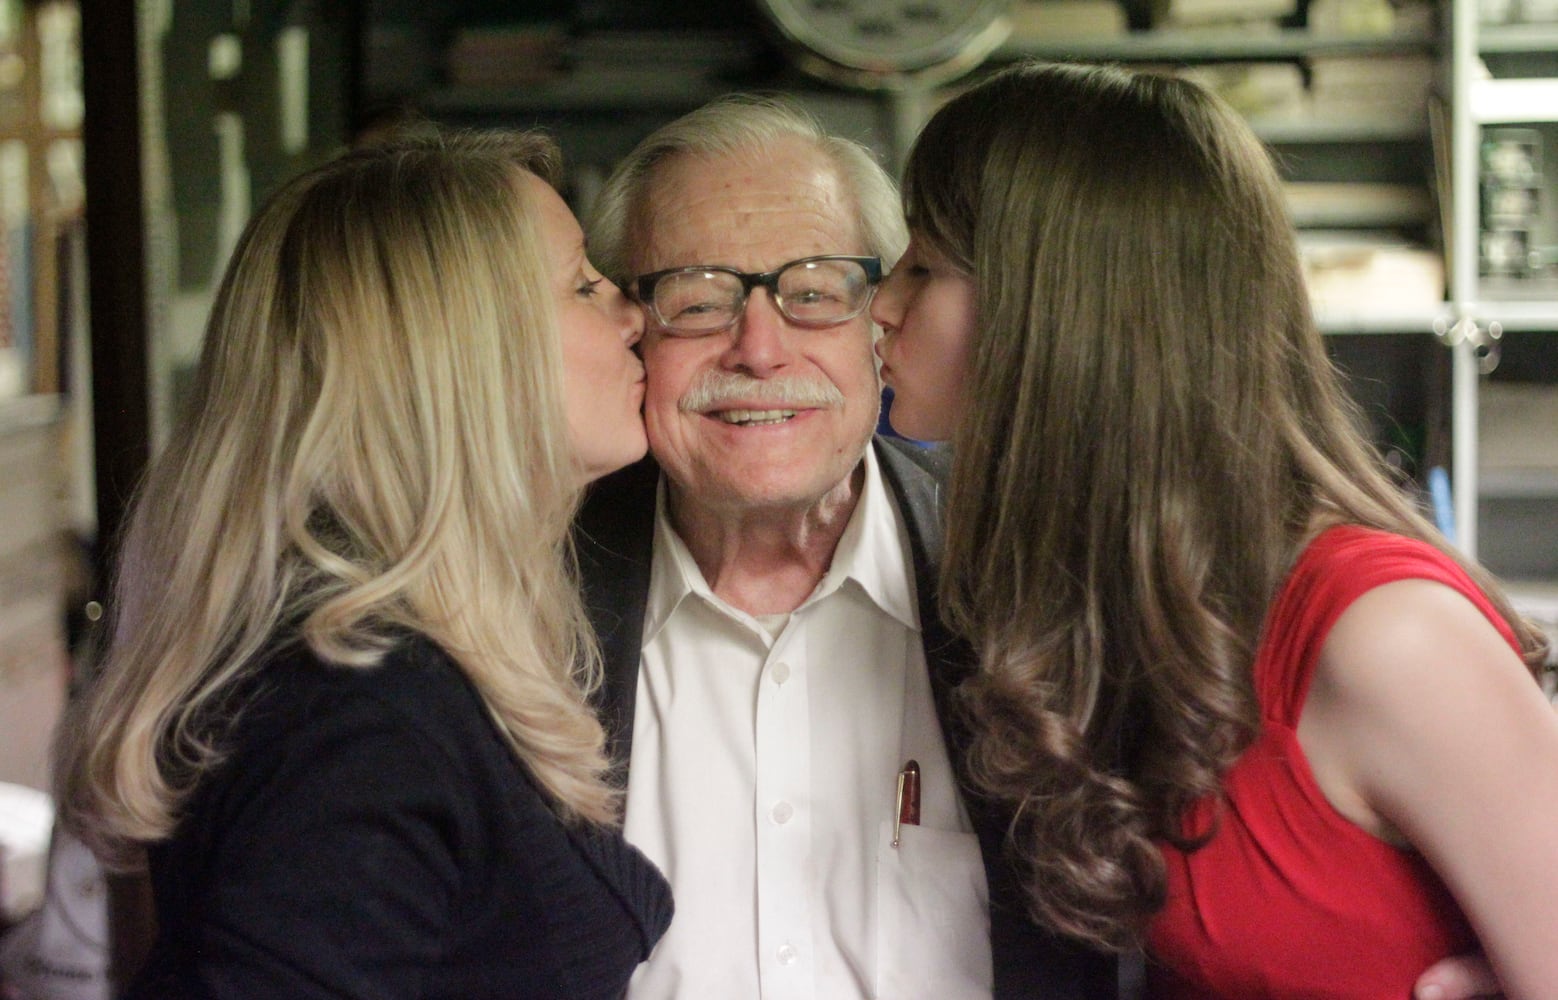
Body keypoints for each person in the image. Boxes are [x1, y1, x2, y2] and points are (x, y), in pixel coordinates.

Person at [870, 60, 1558, 999]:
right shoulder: (1129, 601)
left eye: (925, 265)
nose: (882, 306)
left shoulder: (1383, 635)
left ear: (1060, 310)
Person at [52, 127, 671, 999]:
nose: (633, 313)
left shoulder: (384, 673)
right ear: (455, 357)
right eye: (581, 283)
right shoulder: (361, 717)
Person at [577, 94, 1114, 999]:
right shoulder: (521, 604)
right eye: (698, 302)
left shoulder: (1034, 579)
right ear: (631, 331)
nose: (759, 349)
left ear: (885, 320)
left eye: (816, 293)